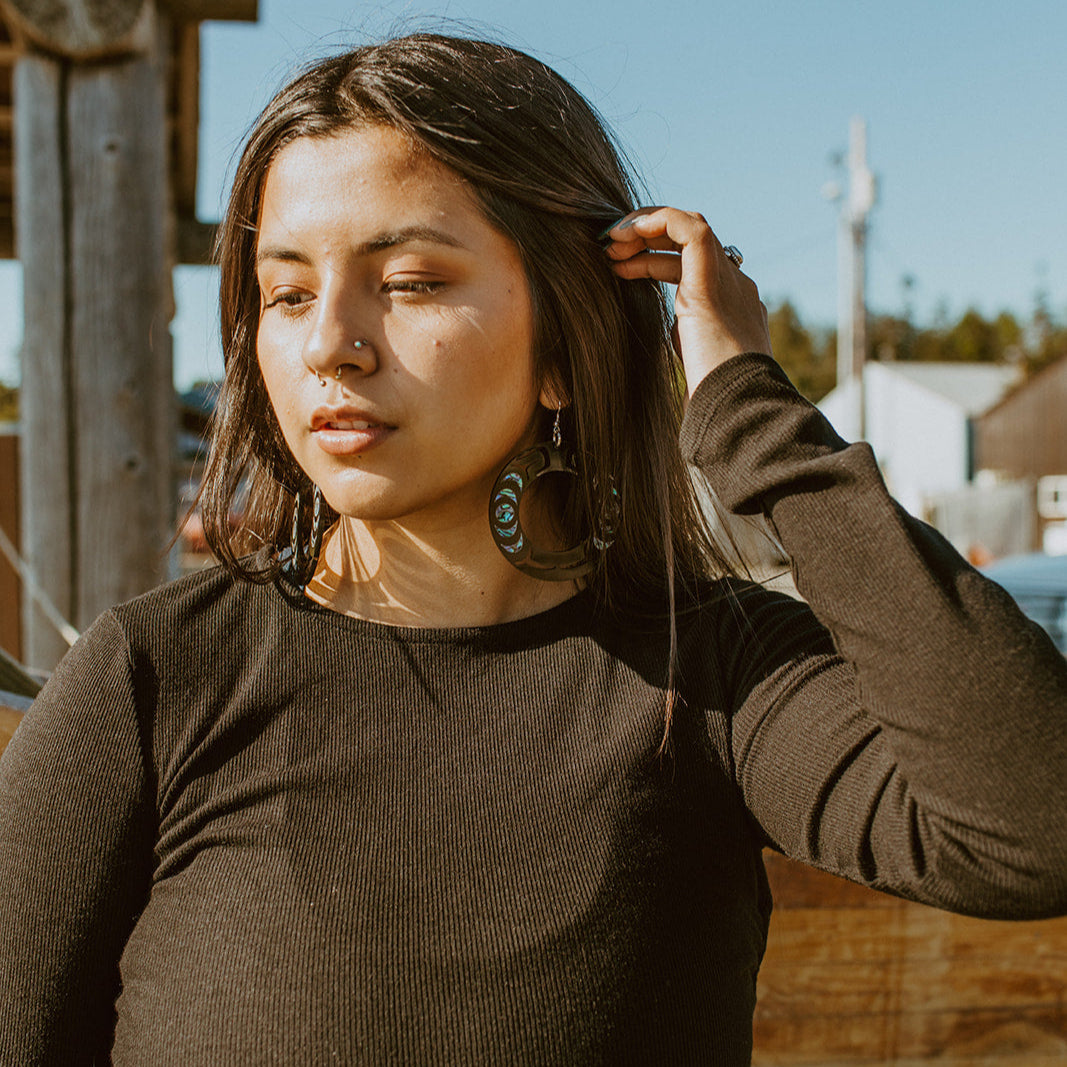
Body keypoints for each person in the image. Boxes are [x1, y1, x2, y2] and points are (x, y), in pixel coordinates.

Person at [1, 32, 1065, 1066]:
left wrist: (750, 413)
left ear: (564, 343)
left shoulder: (710, 678)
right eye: (285, 293)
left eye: (410, 280)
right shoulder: (158, 681)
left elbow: (1028, 824)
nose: (329, 341)